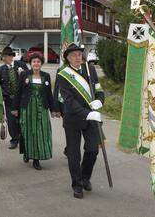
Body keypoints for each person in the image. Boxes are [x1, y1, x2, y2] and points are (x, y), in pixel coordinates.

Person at [57, 43, 105, 199]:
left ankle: (85, 178)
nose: (77, 57)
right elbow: (69, 101)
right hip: (73, 119)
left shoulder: (90, 70)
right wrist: (87, 113)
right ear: (68, 58)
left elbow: (98, 89)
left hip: (91, 117)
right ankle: (77, 185)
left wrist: (100, 101)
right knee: (74, 154)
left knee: (93, 150)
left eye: (79, 54)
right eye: (74, 55)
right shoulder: (63, 74)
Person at [12, 53, 55, 170]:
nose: (36, 64)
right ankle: (27, 152)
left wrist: (53, 109)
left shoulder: (46, 76)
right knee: (28, 131)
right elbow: (18, 92)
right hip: (28, 108)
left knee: (41, 132)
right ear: (30, 63)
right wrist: (15, 108)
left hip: (42, 108)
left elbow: (49, 94)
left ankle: (36, 159)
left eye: (38, 62)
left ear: (41, 63)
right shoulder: (24, 75)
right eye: (34, 62)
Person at [0, 46, 28, 149]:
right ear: (3, 58)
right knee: (11, 121)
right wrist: (1, 97)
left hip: (21, 98)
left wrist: (22, 74)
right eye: (6, 56)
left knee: (22, 119)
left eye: (10, 55)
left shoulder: (21, 65)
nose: (9, 58)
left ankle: (23, 139)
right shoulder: (0, 69)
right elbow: (0, 85)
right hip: (9, 99)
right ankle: (14, 139)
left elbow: (29, 78)